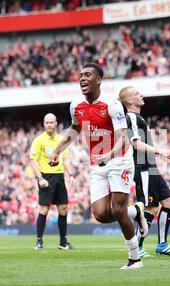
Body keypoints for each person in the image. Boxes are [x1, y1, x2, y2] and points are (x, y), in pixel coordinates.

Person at [49, 62, 148, 270]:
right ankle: (137, 212)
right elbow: (75, 129)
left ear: (98, 80)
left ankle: (135, 258)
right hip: (98, 162)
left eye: (87, 75)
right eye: (80, 75)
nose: (82, 78)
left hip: (119, 158)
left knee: (118, 208)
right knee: (101, 214)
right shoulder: (76, 105)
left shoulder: (112, 104)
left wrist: (109, 155)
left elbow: (123, 137)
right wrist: (58, 150)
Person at [119, 86, 170, 257]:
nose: (142, 94)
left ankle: (162, 244)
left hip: (150, 167)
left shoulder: (138, 117)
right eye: (137, 93)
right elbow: (136, 144)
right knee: (150, 208)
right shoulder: (131, 117)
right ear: (130, 100)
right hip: (142, 168)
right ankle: (137, 247)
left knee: (169, 202)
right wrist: (160, 151)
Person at [29, 113, 76, 250]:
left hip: (59, 177)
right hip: (46, 177)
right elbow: (33, 160)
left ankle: (63, 242)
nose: (49, 124)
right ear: (44, 124)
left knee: (63, 209)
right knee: (44, 209)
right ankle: (39, 241)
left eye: (51, 122)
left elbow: (65, 159)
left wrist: (71, 175)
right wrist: (40, 178)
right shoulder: (38, 140)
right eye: (47, 122)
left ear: (56, 123)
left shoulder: (62, 140)